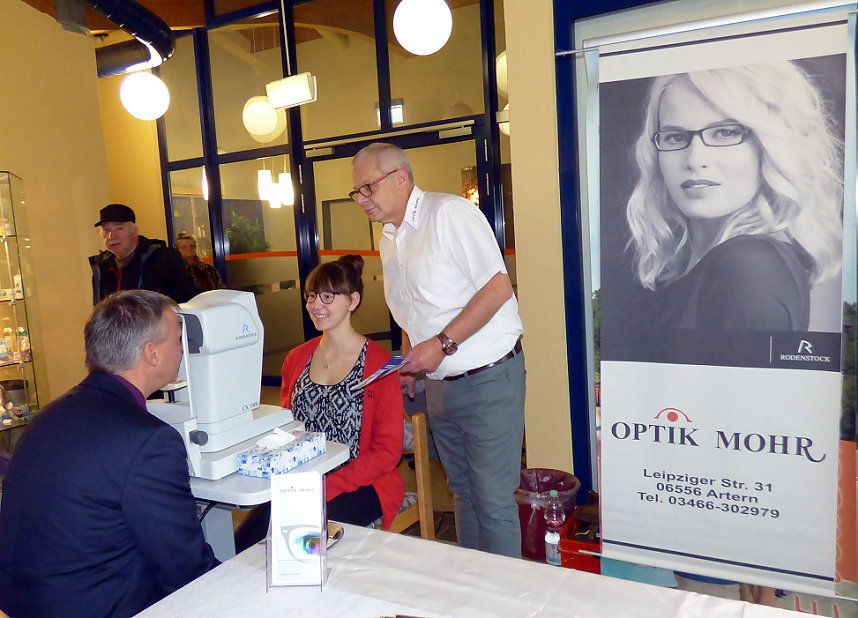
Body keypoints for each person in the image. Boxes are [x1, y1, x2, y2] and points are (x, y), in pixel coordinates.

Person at [351, 143, 525, 558]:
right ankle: (472, 589)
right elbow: (415, 310)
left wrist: (442, 344)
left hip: (487, 378)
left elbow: (498, 288)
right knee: (463, 493)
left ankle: (503, 602)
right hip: (440, 385)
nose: (362, 200)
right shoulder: (388, 238)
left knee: (494, 501)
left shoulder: (448, 214)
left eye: (368, 188)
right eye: (356, 192)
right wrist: (411, 358)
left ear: (400, 178)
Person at [0, 290, 218, 617]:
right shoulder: (149, 441)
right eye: (178, 339)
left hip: (25, 601)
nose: (182, 350)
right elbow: (183, 566)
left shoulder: (50, 415)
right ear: (152, 354)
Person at [625, 61, 843, 333]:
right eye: (675, 136)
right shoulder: (681, 266)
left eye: (725, 132)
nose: (695, 159)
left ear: (771, 146)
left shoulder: (747, 267)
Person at [233, 255, 404, 552]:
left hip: (363, 483)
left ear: (353, 300)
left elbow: (387, 453)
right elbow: (286, 429)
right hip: (302, 482)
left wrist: (329, 485)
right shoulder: (296, 358)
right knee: (244, 544)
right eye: (311, 295)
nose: (315, 304)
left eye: (327, 296)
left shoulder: (379, 365)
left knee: (294, 543)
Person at [90, 203, 199, 304]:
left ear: (134, 231)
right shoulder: (102, 266)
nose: (111, 236)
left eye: (119, 228)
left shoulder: (162, 258)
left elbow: (187, 299)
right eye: (106, 230)